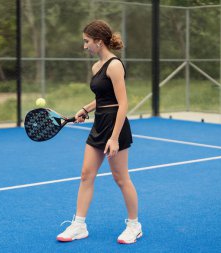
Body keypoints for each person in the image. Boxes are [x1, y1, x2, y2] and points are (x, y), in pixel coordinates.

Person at [56, 20, 142, 244]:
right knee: (86, 174)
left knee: (121, 178)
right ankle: (79, 225)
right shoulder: (97, 67)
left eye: (87, 41)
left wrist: (114, 138)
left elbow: (123, 103)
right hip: (99, 123)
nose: (85, 46)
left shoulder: (114, 65)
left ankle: (134, 225)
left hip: (116, 126)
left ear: (98, 41)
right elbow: (102, 97)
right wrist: (85, 109)